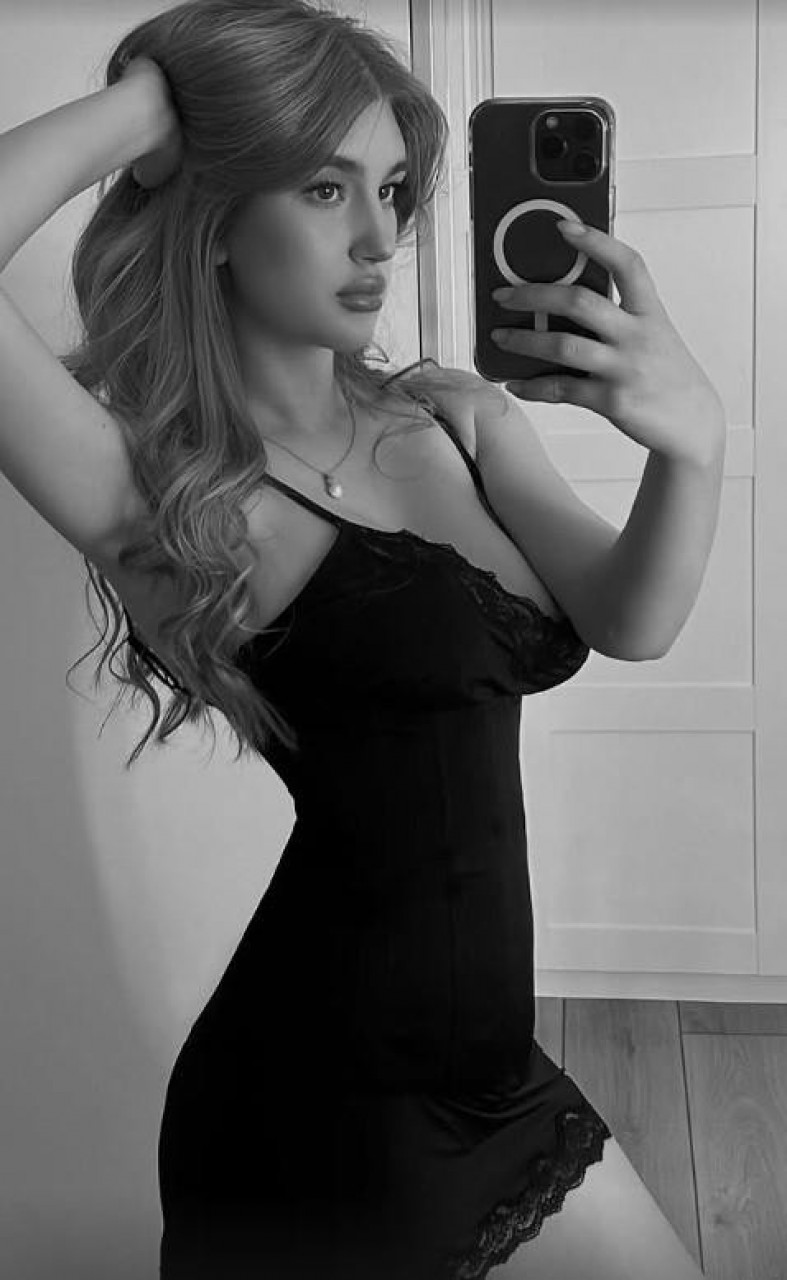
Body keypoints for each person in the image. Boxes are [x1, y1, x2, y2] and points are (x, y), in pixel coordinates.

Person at [0, 1, 726, 1276]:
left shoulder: (444, 415)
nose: (380, 237)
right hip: (318, 1105)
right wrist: (163, 100)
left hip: (490, 1071)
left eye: (390, 189)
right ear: (216, 214)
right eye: (324, 186)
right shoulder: (172, 502)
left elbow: (634, 617)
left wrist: (691, 446)